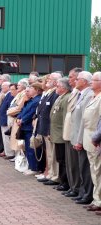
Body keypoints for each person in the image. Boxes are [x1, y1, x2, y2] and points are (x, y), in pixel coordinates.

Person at [71, 71, 94, 205]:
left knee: (85, 168)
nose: (75, 81)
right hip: (79, 136)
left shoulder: (89, 95)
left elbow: (84, 121)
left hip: (84, 137)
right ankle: (82, 192)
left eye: (78, 79)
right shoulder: (81, 95)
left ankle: (87, 194)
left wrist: (79, 140)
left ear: (85, 81)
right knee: (81, 167)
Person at [61, 67, 82, 198]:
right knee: (70, 163)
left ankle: (77, 188)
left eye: (72, 77)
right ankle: (73, 186)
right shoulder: (75, 92)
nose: (69, 80)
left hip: (76, 133)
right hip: (69, 132)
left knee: (75, 164)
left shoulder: (84, 94)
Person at [81, 71, 101, 212]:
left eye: (93, 80)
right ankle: (96, 199)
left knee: (97, 171)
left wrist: (96, 138)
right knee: (94, 171)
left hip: (96, 140)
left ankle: (98, 201)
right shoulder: (93, 97)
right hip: (89, 138)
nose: (91, 82)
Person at [49, 77, 71, 191]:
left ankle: (65, 182)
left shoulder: (66, 98)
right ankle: (62, 181)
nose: (56, 88)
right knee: (59, 159)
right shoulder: (60, 97)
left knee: (63, 160)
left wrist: (64, 134)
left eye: (58, 86)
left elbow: (64, 119)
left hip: (61, 134)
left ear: (63, 88)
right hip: (56, 133)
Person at [16, 83, 43, 175]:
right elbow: (23, 110)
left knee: (32, 148)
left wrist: (22, 120)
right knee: (28, 147)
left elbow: (31, 113)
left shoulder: (37, 100)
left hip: (30, 127)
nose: (28, 90)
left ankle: (34, 168)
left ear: (37, 90)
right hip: (25, 126)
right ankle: (31, 166)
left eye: (31, 88)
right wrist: (19, 118)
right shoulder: (31, 100)